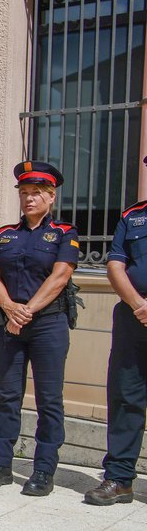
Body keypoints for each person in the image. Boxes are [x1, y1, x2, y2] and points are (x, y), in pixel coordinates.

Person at [0, 162, 78, 496]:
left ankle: (43, 470)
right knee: (7, 397)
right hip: (10, 324)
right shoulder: (6, 234)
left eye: (36, 193)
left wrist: (26, 311)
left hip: (48, 323)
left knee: (49, 401)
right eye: (24, 193)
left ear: (51, 197)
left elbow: (61, 275)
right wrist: (9, 308)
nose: (29, 199)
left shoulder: (65, 233)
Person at [89, 188, 147, 505]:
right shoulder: (132, 216)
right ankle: (120, 479)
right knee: (126, 396)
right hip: (132, 316)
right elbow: (115, 264)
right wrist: (139, 304)